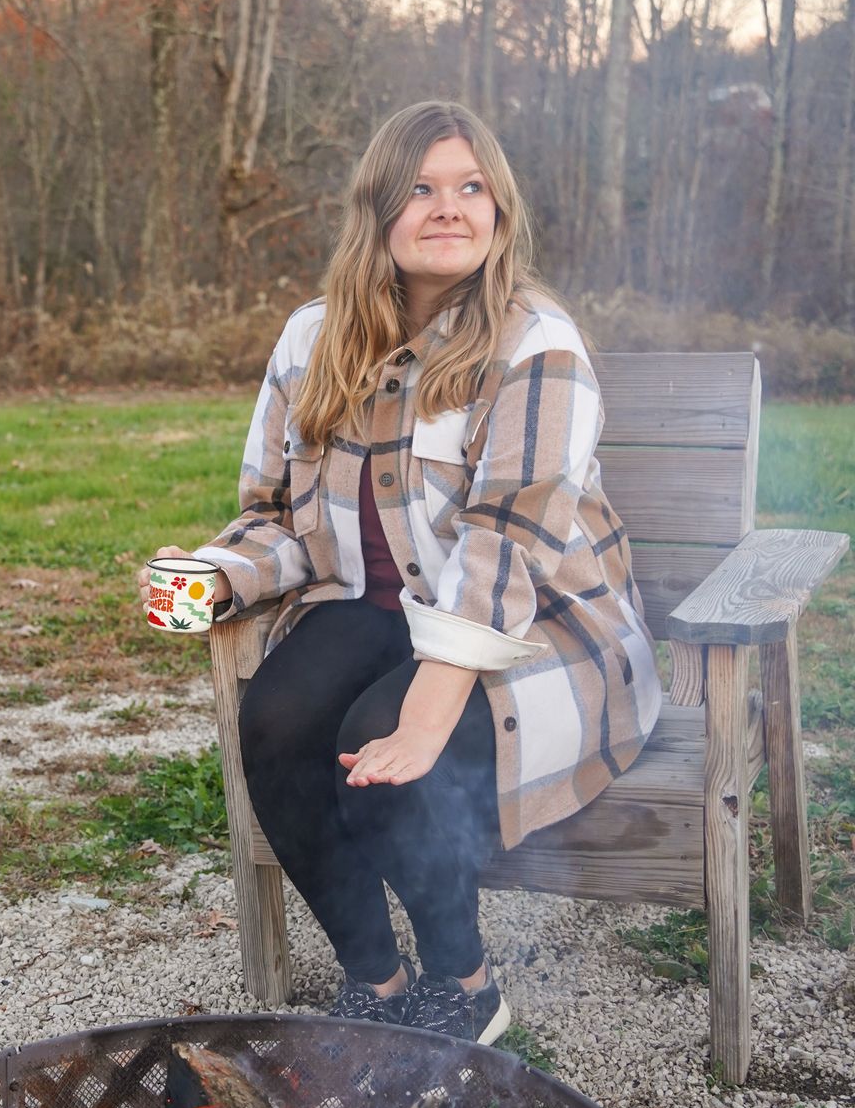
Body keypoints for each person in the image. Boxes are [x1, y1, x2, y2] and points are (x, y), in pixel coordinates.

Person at [141, 100, 660, 1043]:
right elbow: (276, 516)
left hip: (537, 626)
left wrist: (427, 711)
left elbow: (506, 541)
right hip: (377, 610)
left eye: (471, 189)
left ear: (499, 211)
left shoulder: (534, 343)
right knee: (280, 718)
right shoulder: (312, 340)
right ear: (378, 209)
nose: (449, 208)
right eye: (421, 189)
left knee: (387, 743)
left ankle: (465, 986)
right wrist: (218, 577)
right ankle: (375, 983)